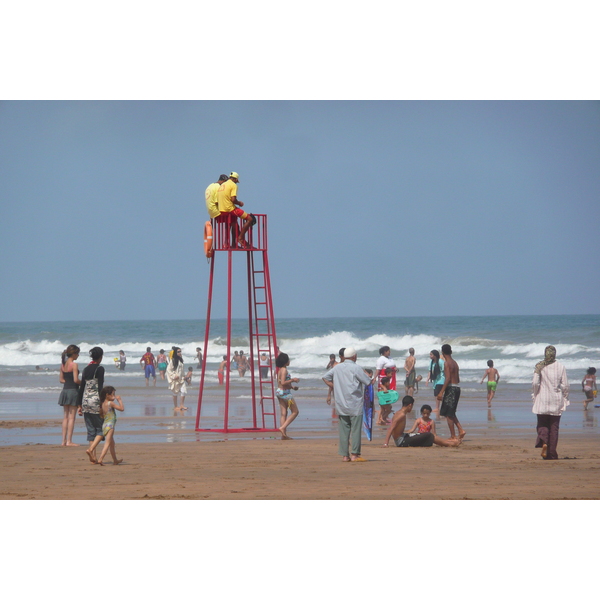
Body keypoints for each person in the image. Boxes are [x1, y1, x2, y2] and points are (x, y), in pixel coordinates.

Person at [323, 347, 376, 462]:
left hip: (341, 403)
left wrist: (334, 386)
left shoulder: (337, 368)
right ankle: (354, 454)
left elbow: (325, 377)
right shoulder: (356, 368)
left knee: (344, 430)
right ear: (354, 356)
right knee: (355, 430)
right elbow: (367, 382)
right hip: (355, 403)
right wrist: (371, 379)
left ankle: (344, 455)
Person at [532, 345, 569, 460]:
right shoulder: (560, 366)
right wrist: (565, 397)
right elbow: (565, 385)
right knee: (554, 428)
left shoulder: (539, 366)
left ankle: (544, 442)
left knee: (542, 424)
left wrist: (535, 394)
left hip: (542, 399)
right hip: (556, 400)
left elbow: (535, 383)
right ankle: (552, 453)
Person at [383, 396, 461, 448]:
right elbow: (391, 428)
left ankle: (446, 442)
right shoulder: (401, 415)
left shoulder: (398, 413)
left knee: (424, 435)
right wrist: (386, 443)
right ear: (410, 405)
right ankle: (448, 444)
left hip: (403, 437)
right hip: (401, 441)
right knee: (429, 435)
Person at [78, 346, 105, 464]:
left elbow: (82, 388)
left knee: (90, 430)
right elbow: (100, 387)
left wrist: (79, 404)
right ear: (100, 357)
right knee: (101, 429)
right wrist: (102, 403)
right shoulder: (100, 369)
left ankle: (93, 458)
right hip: (95, 401)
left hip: (85, 401)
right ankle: (91, 449)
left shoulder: (86, 369)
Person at [86, 386, 124, 465]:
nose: (114, 396)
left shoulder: (103, 404)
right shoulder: (110, 403)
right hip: (110, 426)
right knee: (107, 443)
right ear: (107, 395)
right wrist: (119, 400)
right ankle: (100, 459)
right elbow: (121, 409)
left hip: (105, 425)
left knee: (112, 444)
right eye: (113, 394)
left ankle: (115, 460)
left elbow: (102, 415)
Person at [216, 171, 254, 247]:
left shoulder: (223, 185)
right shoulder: (233, 185)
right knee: (250, 219)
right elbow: (233, 200)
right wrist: (240, 203)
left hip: (221, 210)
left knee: (234, 224)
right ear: (235, 179)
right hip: (229, 209)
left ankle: (233, 243)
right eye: (237, 181)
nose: (237, 183)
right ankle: (240, 238)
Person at [436, 344, 466, 440]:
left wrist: (441, 391)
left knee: (448, 414)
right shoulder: (455, 363)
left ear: (442, 353)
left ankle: (453, 435)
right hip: (457, 387)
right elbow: (458, 378)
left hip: (451, 388)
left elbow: (448, 378)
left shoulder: (446, 363)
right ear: (451, 352)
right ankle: (461, 430)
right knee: (451, 412)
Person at [58, 344, 81, 447]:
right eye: (78, 354)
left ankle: (63, 441)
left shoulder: (63, 365)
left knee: (65, 417)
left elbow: (61, 380)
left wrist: (68, 381)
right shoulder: (74, 365)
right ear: (74, 354)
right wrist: (83, 383)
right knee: (72, 418)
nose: (78, 356)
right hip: (73, 391)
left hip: (65, 391)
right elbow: (76, 380)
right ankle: (69, 441)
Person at [275, 352, 300, 440]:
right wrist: (293, 380)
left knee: (283, 414)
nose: (289, 361)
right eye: (288, 360)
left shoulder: (279, 370)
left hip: (279, 392)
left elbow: (281, 383)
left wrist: (292, 387)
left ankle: (283, 435)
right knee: (295, 412)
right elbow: (283, 382)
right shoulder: (284, 370)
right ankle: (282, 428)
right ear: (285, 361)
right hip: (285, 394)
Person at [166, 347, 187, 411]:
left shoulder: (181, 360)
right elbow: (168, 370)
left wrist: (185, 377)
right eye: (178, 352)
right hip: (175, 380)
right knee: (175, 393)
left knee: (183, 391)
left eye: (180, 351)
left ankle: (182, 405)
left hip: (181, 379)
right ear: (175, 353)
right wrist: (173, 376)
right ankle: (175, 406)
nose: (180, 353)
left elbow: (182, 370)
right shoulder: (173, 360)